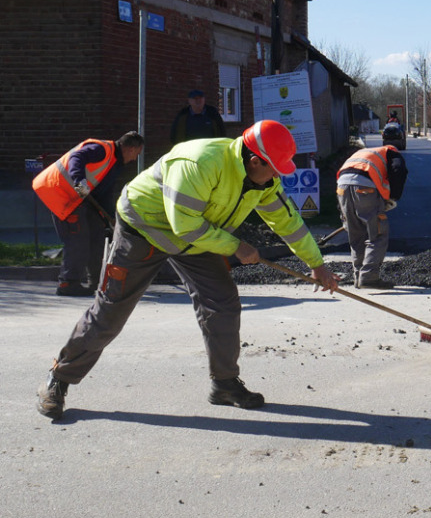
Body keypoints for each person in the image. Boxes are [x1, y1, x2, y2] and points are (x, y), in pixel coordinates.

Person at [36, 120, 340, 420]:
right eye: (274, 167)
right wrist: (236, 246)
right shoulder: (200, 163)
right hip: (143, 228)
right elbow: (185, 225)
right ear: (254, 160)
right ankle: (58, 380)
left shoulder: (264, 182)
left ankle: (224, 384)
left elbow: (288, 224)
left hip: (198, 236)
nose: (277, 175)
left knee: (223, 303)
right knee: (111, 311)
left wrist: (317, 265)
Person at [32, 132, 144, 296]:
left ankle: (96, 282)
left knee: (96, 236)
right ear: (131, 149)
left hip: (78, 198)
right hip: (61, 193)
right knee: (78, 239)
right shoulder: (102, 149)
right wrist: (79, 180)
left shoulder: (114, 163)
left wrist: (109, 219)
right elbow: (76, 158)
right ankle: (68, 283)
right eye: (137, 153)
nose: (135, 159)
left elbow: (104, 194)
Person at [336, 144, 408, 289]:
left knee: (356, 236)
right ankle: (369, 277)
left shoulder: (363, 153)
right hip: (365, 188)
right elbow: (398, 170)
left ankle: (358, 277)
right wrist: (393, 197)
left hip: (342, 188)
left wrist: (343, 213)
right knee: (376, 235)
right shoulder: (392, 152)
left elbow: (348, 175)